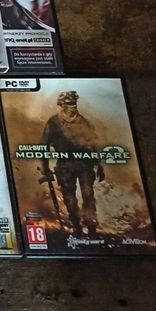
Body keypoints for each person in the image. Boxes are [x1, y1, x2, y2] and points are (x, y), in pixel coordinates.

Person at [39, 91, 103, 236]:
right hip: (65, 165)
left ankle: (91, 227)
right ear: (62, 105)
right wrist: (45, 168)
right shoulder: (54, 123)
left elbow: (94, 144)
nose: (73, 106)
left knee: (88, 195)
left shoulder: (84, 122)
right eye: (69, 103)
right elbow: (44, 146)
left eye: (74, 103)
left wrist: (99, 165)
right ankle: (76, 226)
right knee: (70, 198)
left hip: (85, 164)